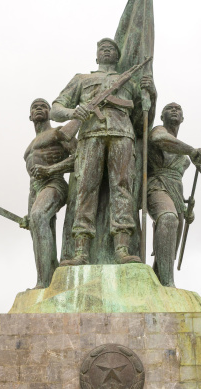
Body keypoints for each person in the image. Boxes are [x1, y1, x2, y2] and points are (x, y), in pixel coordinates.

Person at [51, 38, 156, 266]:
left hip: (122, 134)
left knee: (123, 187)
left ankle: (122, 247)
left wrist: (151, 95)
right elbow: (55, 109)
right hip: (90, 135)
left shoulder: (130, 83)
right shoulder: (82, 79)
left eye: (111, 49)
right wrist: (73, 113)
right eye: (102, 49)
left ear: (117, 56)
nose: (106, 51)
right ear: (96, 56)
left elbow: (142, 122)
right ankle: (81, 251)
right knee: (86, 188)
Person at [147, 102, 201, 287]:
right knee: (168, 219)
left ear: (182, 118)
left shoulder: (184, 156)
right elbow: (160, 140)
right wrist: (191, 150)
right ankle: (168, 284)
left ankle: (160, 281)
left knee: (169, 247)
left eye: (178, 109)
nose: (174, 110)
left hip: (176, 194)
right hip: (157, 185)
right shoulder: (158, 131)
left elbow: (178, 181)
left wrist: (189, 209)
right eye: (169, 108)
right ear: (162, 116)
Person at [21, 99, 75, 288]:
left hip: (54, 183)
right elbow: (32, 180)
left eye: (43, 106)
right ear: (30, 116)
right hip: (35, 189)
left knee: (39, 216)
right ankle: (47, 279)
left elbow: (80, 157)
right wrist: (28, 208)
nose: (38, 108)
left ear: (50, 113)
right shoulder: (29, 147)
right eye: (34, 106)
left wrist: (52, 170)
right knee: (36, 228)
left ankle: (43, 284)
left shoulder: (58, 133)